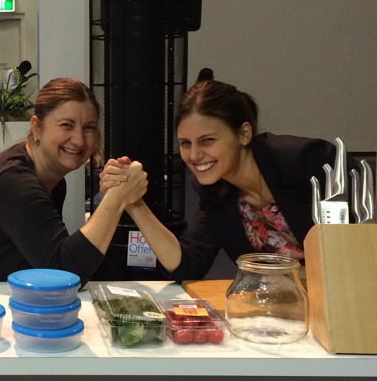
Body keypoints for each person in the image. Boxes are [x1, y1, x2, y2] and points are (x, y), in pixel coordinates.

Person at [100, 68, 335, 281]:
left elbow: (350, 249)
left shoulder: (306, 160)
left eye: (207, 140)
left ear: (244, 134)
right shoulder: (215, 190)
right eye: (185, 143)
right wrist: (133, 202)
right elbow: (188, 265)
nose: (194, 155)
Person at [0, 77, 147, 282]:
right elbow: (64, 272)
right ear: (36, 127)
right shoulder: (13, 181)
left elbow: (44, 260)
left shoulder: (52, 181)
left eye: (89, 128)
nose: (78, 140)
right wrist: (115, 198)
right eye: (66, 125)